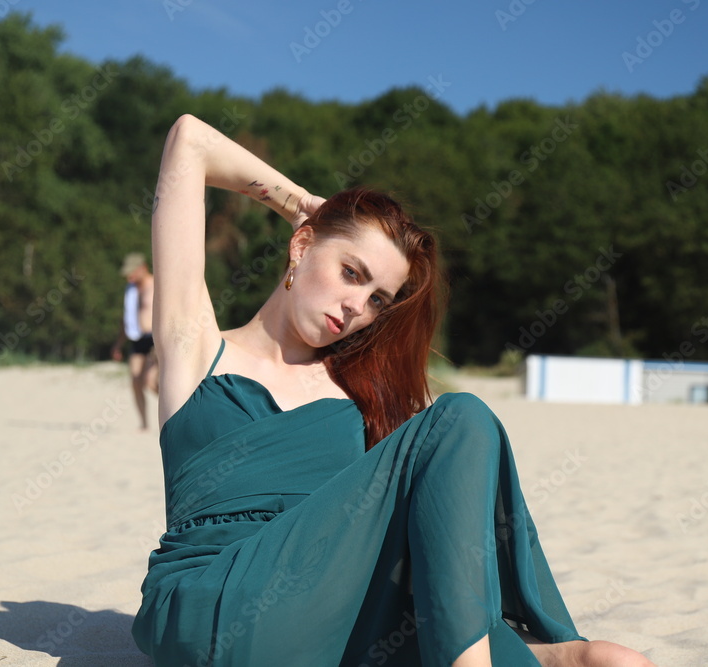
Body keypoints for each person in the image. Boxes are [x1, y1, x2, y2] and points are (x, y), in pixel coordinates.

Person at [131, 114, 655, 667]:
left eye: (379, 298)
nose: (358, 306)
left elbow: (425, 525)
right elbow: (189, 141)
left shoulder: (361, 396)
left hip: (332, 618)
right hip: (214, 603)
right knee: (461, 417)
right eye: (352, 272)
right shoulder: (196, 347)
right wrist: (305, 206)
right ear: (301, 247)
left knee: (607, 660)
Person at [112, 252, 159, 431]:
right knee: (135, 380)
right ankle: (144, 423)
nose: (129, 276)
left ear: (143, 268)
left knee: (150, 381)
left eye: (132, 272)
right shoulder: (130, 289)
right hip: (137, 338)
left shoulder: (157, 284)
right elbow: (126, 319)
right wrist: (118, 344)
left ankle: (175, 412)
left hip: (155, 339)